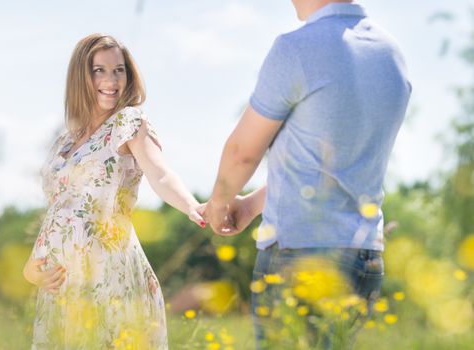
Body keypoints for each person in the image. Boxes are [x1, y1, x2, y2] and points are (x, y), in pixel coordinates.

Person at [203, 0, 411, 348]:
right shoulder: (391, 53)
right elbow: (331, 162)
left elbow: (243, 152)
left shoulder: (296, 48)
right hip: (364, 258)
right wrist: (251, 205)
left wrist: (218, 204)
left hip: (299, 255)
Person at [23, 33, 205, 349]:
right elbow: (60, 208)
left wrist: (191, 206)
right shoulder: (65, 140)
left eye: (119, 70)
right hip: (62, 287)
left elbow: (160, 173)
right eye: (99, 70)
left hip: (109, 276)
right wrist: (32, 265)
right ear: (80, 77)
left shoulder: (128, 122)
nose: (112, 80)